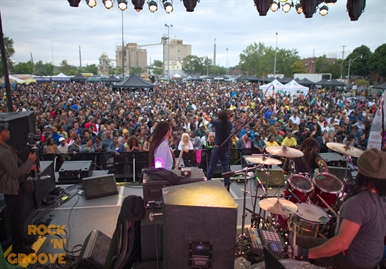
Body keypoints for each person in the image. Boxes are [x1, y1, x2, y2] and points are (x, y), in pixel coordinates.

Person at [292, 148, 386, 269]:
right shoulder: (382, 197)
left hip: (353, 262)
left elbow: (341, 244)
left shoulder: (357, 203)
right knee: (332, 230)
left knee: (296, 240)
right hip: (374, 258)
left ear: (361, 173)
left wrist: (305, 254)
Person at [0, 122, 37, 254]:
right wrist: (29, 161)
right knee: (16, 218)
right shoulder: (4, 153)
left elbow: (16, 168)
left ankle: (21, 239)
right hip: (12, 190)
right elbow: (14, 173)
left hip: (16, 187)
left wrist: (28, 167)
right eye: (6, 130)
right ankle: (18, 247)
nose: (8, 132)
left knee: (20, 217)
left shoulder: (6, 148)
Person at [202, 110, 233, 190]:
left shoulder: (218, 123)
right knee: (225, 166)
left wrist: (204, 114)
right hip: (225, 148)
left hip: (217, 147)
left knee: (212, 165)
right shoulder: (230, 124)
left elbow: (208, 119)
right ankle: (226, 182)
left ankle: (208, 180)